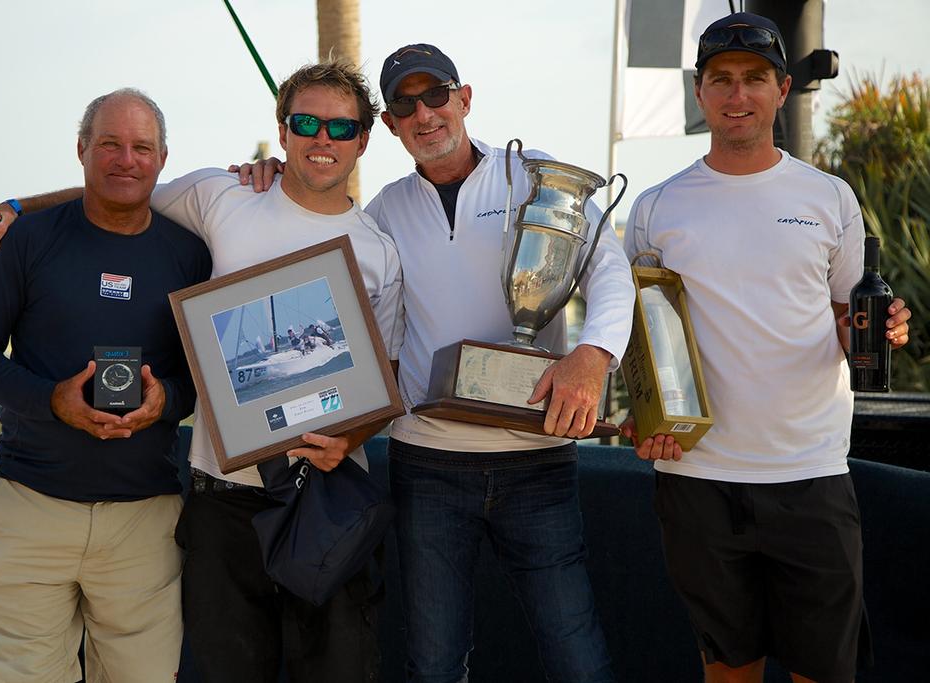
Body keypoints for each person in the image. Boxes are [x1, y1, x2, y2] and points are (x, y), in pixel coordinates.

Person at [0, 62, 402, 683]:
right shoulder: (221, 195)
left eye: (339, 126)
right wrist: (11, 208)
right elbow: (116, 188)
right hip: (221, 500)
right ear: (283, 132)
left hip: (325, 497)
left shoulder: (379, 248)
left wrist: (350, 439)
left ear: (363, 139)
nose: (321, 139)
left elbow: (387, 376)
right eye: (306, 122)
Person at [238, 43, 633, 683]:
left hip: (535, 460)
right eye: (404, 103)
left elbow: (612, 277)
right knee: (434, 663)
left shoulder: (540, 178)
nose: (424, 113)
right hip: (427, 465)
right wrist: (261, 179)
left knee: (576, 655)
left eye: (436, 95)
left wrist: (591, 355)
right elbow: (343, 311)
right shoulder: (383, 212)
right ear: (389, 125)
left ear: (464, 98)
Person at [619, 13, 912, 683]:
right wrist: (644, 420)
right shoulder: (658, 206)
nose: (737, 94)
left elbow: (847, 317)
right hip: (696, 478)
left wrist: (878, 325)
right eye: (721, 79)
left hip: (809, 472)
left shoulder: (828, 197)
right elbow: (643, 338)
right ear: (700, 93)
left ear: (783, 89)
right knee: (729, 672)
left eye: (754, 78)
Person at [0, 89, 212, 682]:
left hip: (146, 521)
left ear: (163, 158)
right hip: (30, 511)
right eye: (109, 144)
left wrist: (167, 398)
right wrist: (51, 401)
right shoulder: (30, 241)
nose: (126, 159)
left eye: (141, 147)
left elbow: (206, 376)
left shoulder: (191, 254)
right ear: (81, 150)